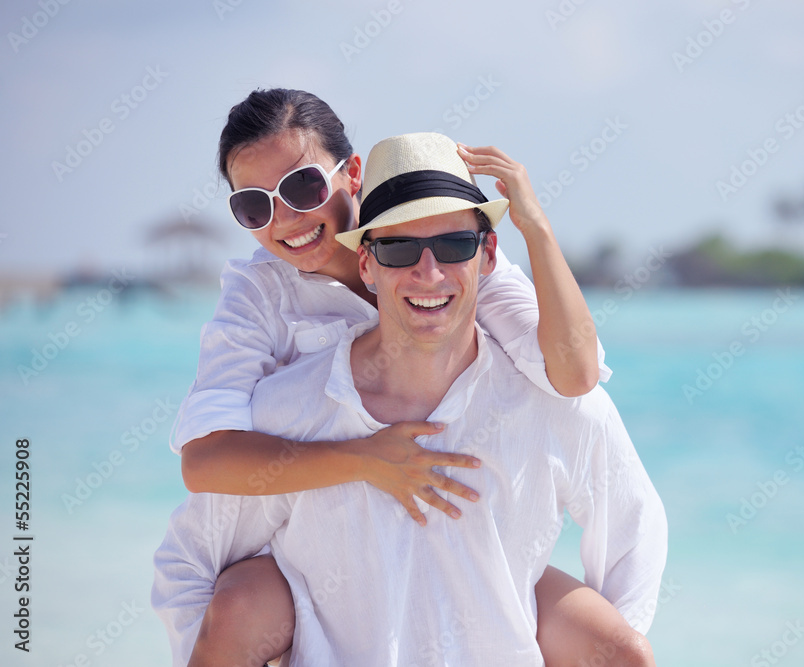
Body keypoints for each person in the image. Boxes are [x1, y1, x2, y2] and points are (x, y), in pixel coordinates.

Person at [152, 131, 668, 665]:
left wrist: (535, 224)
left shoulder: (538, 390)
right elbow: (199, 524)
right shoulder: (277, 374)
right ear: (369, 265)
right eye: (399, 248)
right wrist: (360, 458)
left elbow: (581, 384)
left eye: (453, 246)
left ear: (487, 253)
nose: (429, 271)